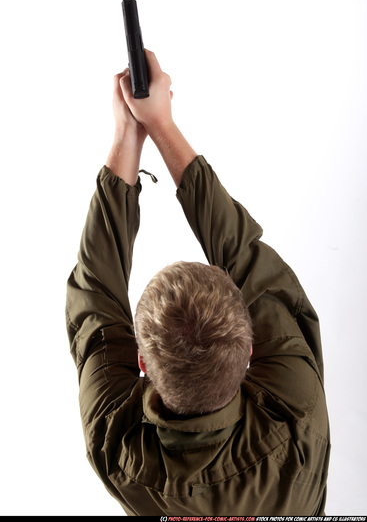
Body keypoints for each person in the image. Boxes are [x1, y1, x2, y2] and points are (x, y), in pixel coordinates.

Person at [66, 50, 330, 516]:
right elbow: (245, 257)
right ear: (249, 350)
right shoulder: (298, 414)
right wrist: (163, 125)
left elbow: (95, 304)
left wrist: (130, 133)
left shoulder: (117, 450)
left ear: (142, 363)